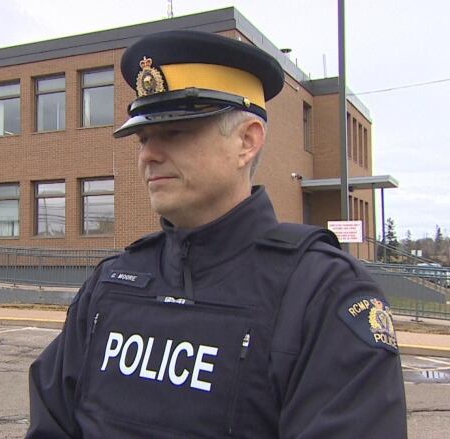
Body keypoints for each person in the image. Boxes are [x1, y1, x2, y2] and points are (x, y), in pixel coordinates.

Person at [27, 30, 407, 438]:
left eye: (174, 132)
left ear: (247, 140)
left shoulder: (322, 294)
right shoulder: (110, 285)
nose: (148, 155)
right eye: (143, 138)